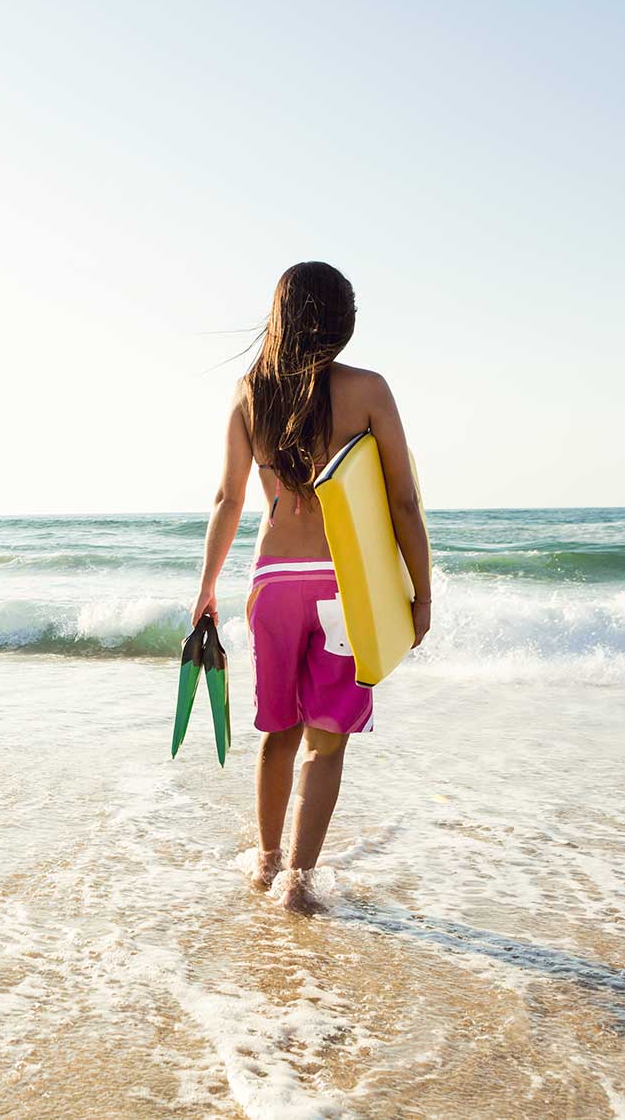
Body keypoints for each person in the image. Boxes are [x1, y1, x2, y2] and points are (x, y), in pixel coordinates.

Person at [190, 261, 432, 914]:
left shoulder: (249, 394)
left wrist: (207, 586)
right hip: (341, 586)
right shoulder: (368, 390)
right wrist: (421, 592)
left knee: (279, 731)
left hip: (272, 584)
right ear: (342, 323)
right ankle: (297, 881)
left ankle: (265, 862)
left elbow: (227, 498)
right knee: (326, 739)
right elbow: (404, 503)